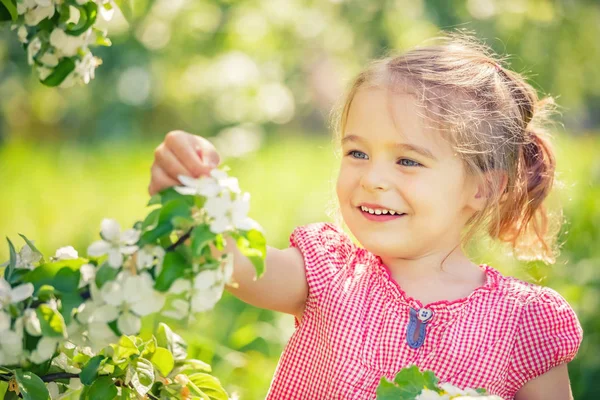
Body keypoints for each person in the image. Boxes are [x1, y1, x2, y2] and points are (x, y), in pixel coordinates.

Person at [147, 34, 583, 400]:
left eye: (408, 161)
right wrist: (188, 190)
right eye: (357, 152)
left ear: (482, 188)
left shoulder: (525, 323)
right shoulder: (327, 275)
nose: (372, 178)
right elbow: (231, 260)